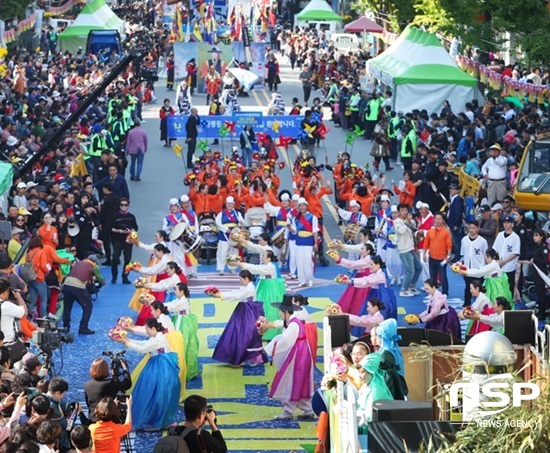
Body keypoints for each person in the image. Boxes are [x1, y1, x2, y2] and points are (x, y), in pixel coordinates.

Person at [112, 318, 180, 430]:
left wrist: (126, 342)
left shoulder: (159, 340)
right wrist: (127, 339)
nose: (146, 332)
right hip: (160, 366)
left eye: (147, 329)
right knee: (158, 394)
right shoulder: (157, 337)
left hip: (160, 367)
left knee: (153, 393)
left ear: (153, 328)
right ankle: (160, 420)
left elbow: (143, 348)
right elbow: (145, 343)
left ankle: (158, 422)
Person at [264, 295, 314, 420]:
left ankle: (288, 410)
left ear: (285, 311)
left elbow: (285, 341)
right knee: (300, 381)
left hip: (298, 355)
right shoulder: (293, 322)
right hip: (302, 352)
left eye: (280, 311)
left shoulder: (293, 324)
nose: (279, 314)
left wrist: (270, 348)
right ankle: (307, 408)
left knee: (291, 381)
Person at [209, 270, 264, 366]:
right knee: (240, 333)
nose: (240, 281)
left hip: (248, 313)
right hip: (245, 311)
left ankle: (251, 357)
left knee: (246, 334)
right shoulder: (247, 286)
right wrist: (220, 294)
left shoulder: (249, 289)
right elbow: (235, 292)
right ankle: (247, 357)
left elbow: (236, 296)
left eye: (241, 279)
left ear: (246, 279)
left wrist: (220, 295)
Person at [234, 250, 286, 341]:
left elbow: (256, 268)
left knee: (269, 309)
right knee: (264, 308)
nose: (262, 258)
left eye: (264, 256)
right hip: (264, 287)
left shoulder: (270, 267)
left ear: (269, 258)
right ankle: (262, 328)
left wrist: (241, 264)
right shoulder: (267, 266)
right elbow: (256, 268)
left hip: (268, 289)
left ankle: (268, 331)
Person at [343, 256, 397, 337]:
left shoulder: (379, 276)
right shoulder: (377, 274)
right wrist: (351, 281)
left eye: (371, 265)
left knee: (378, 314)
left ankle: (377, 334)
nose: (370, 267)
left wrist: (350, 281)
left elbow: (366, 281)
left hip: (381, 297)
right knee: (370, 313)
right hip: (378, 294)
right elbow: (366, 280)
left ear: (378, 265)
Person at [164, 282, 200, 380]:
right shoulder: (179, 299)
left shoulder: (182, 301)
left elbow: (170, 307)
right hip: (179, 321)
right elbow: (170, 304)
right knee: (182, 346)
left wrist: (156, 304)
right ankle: (184, 369)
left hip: (183, 323)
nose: (174, 291)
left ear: (182, 291)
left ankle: (186, 371)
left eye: (176, 289)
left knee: (184, 346)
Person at [62, 254, 104, 335]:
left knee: (67, 307)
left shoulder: (78, 262)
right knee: (88, 306)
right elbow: (100, 280)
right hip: (78, 286)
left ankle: (65, 326)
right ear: (95, 261)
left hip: (67, 284)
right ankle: (83, 328)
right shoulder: (94, 266)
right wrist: (102, 282)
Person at [330, 243, 375, 315]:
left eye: (362, 249)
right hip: (360, 279)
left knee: (358, 301)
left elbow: (353, 264)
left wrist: (339, 259)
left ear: (368, 251)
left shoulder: (368, 260)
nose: (361, 251)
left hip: (364, 282)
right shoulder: (366, 258)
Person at [355, 352, 393, 434]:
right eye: (359, 372)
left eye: (362, 372)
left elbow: (371, 417)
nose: (359, 375)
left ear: (371, 372)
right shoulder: (367, 385)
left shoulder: (376, 391)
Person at [84, 357, 132, 423]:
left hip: (93, 420)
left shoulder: (87, 385)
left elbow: (88, 403)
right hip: (109, 421)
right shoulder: (110, 383)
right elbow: (127, 384)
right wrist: (125, 370)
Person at [371, 319, 408, 400]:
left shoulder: (386, 353)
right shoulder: (394, 348)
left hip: (392, 388)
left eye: (377, 335)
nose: (375, 338)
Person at [289, 198, 318, 288]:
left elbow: (315, 231)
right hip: (299, 241)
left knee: (307, 260)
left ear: (306, 206)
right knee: (299, 260)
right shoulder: (296, 218)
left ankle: (310, 279)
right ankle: (302, 280)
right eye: (300, 206)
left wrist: (316, 242)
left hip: (309, 240)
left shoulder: (313, 217)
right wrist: (289, 228)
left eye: (303, 205)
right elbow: (294, 231)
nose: (301, 207)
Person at [394, 203, 422, 297]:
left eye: (406, 210)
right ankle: (403, 289)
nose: (405, 212)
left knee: (419, 267)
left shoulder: (409, 220)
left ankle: (411, 286)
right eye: (402, 210)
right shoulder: (397, 221)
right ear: (399, 212)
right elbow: (401, 231)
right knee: (410, 270)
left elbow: (415, 228)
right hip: (404, 250)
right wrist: (407, 222)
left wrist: (414, 221)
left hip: (411, 248)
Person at [460, 220, 489, 306]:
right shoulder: (464, 240)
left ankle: (480, 306)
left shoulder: (483, 241)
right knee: (468, 287)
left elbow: (485, 255)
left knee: (479, 289)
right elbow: (462, 254)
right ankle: (466, 304)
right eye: (470, 228)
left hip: (479, 269)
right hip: (467, 269)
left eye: (473, 228)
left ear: (478, 229)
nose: (471, 230)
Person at [423, 212, 452, 295]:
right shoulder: (430, 231)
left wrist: (448, 256)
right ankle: (433, 292)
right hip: (432, 257)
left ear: (443, 220)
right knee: (432, 276)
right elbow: (426, 243)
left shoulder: (446, 232)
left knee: (443, 276)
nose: (438, 220)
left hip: (442, 258)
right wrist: (424, 253)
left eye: (440, 219)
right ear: (434, 219)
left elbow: (449, 245)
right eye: (436, 218)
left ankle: (445, 293)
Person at [110, 198, 138, 284]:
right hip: (117, 240)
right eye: (122, 205)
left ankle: (125, 277)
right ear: (119, 206)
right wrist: (119, 231)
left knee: (127, 260)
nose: (124, 206)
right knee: (115, 258)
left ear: (128, 206)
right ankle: (114, 276)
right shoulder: (115, 216)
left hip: (128, 241)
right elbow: (111, 228)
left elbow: (135, 228)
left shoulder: (131, 217)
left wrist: (131, 231)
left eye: (125, 205)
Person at [215, 196, 244, 275]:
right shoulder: (221, 214)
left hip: (234, 234)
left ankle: (232, 268)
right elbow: (218, 223)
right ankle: (221, 268)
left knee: (234, 251)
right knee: (222, 252)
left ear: (234, 204)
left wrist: (241, 223)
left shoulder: (238, 214)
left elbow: (241, 222)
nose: (229, 205)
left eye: (231, 203)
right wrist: (226, 230)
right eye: (228, 203)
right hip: (224, 235)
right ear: (226, 204)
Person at [492, 215, 521, 295]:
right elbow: (495, 249)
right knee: (498, 287)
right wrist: (497, 260)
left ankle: (509, 305)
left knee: (509, 287)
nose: (506, 224)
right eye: (505, 222)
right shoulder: (500, 235)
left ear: (512, 224)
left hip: (510, 266)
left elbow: (515, 253)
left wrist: (504, 261)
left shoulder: (515, 237)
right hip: (499, 265)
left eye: (508, 223)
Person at [531, 229, 549, 319]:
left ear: (541, 237)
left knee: (541, 293)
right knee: (539, 292)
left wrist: (535, 260)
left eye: (537, 236)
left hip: (541, 273)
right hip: (536, 273)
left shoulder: (544, 247)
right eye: (534, 235)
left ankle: (542, 312)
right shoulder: (537, 246)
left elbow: (546, 261)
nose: (534, 237)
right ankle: (541, 310)